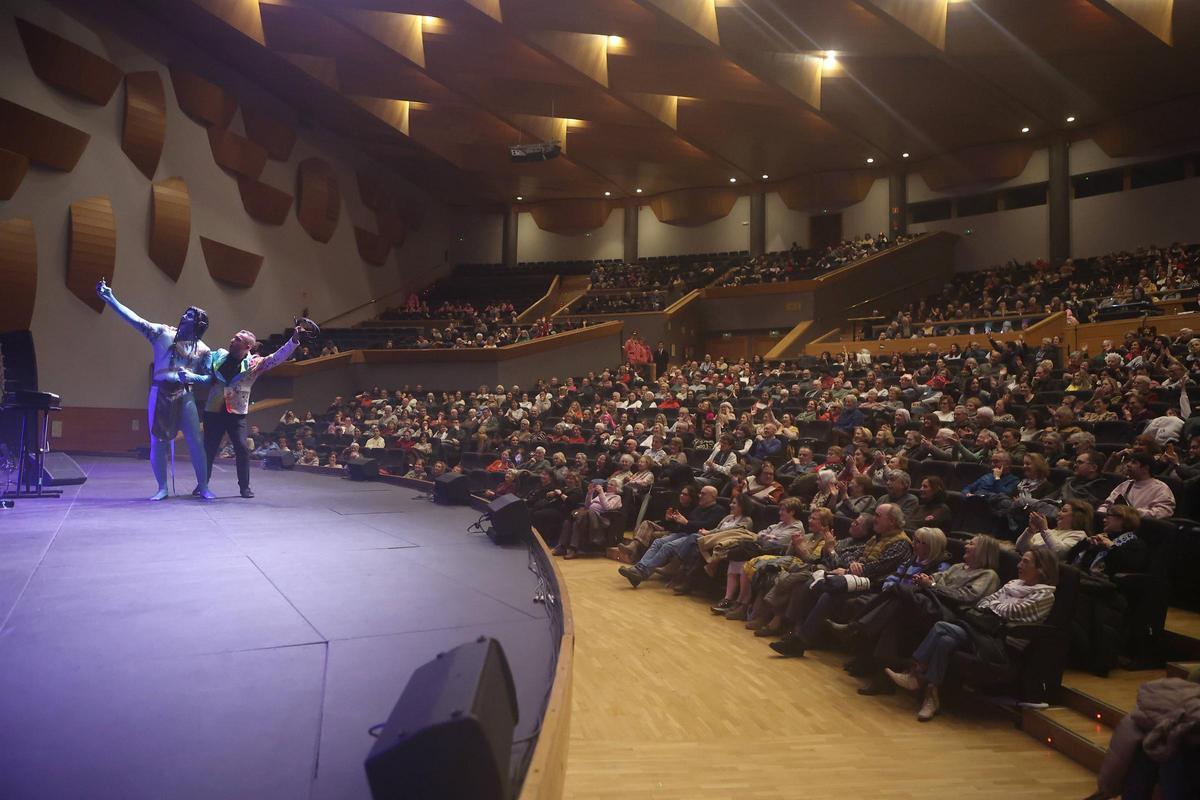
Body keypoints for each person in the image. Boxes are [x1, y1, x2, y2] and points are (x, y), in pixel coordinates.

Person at [885, 548, 1059, 722]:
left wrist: (996, 607)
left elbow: (1013, 610)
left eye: (1026, 562)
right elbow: (984, 603)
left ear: (1041, 569)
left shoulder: (1045, 595)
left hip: (1002, 643)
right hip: (984, 632)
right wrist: (997, 609)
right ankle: (931, 696)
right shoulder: (1013, 584)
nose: (1019, 564)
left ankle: (916, 674)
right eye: (1021, 560)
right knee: (945, 640)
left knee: (940, 628)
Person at [95, 278, 215, 501]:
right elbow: (135, 321)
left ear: (199, 324)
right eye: (185, 313)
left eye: (190, 315)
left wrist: (193, 376)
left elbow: (208, 378)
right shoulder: (163, 333)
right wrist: (111, 299)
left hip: (185, 394)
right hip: (160, 391)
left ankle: (204, 486)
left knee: (195, 442)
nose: (184, 316)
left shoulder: (204, 350)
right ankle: (162, 487)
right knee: (157, 440)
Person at [847, 534, 1001, 696]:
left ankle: (856, 626)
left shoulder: (988, 575)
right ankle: (880, 678)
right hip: (930, 604)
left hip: (950, 614)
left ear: (983, 551)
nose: (966, 546)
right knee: (894, 620)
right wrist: (927, 579)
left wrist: (932, 585)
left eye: (971, 544)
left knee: (899, 592)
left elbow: (966, 597)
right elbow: (936, 578)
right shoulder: (958, 567)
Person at [201, 325, 301, 498]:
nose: (232, 340)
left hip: (236, 414)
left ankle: (244, 487)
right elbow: (201, 352)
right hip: (214, 411)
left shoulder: (255, 363)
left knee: (242, 449)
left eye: (238, 339)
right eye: (234, 337)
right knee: (208, 450)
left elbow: (277, 358)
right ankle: (202, 485)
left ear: (248, 346)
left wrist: (293, 341)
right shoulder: (219, 355)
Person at [1097, 452, 1176, 520]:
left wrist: (1132, 513)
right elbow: (1108, 505)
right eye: (1129, 462)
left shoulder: (1161, 488)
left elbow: (1164, 512)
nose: (1128, 465)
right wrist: (1100, 513)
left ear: (1145, 468)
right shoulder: (1125, 485)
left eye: (1133, 462)